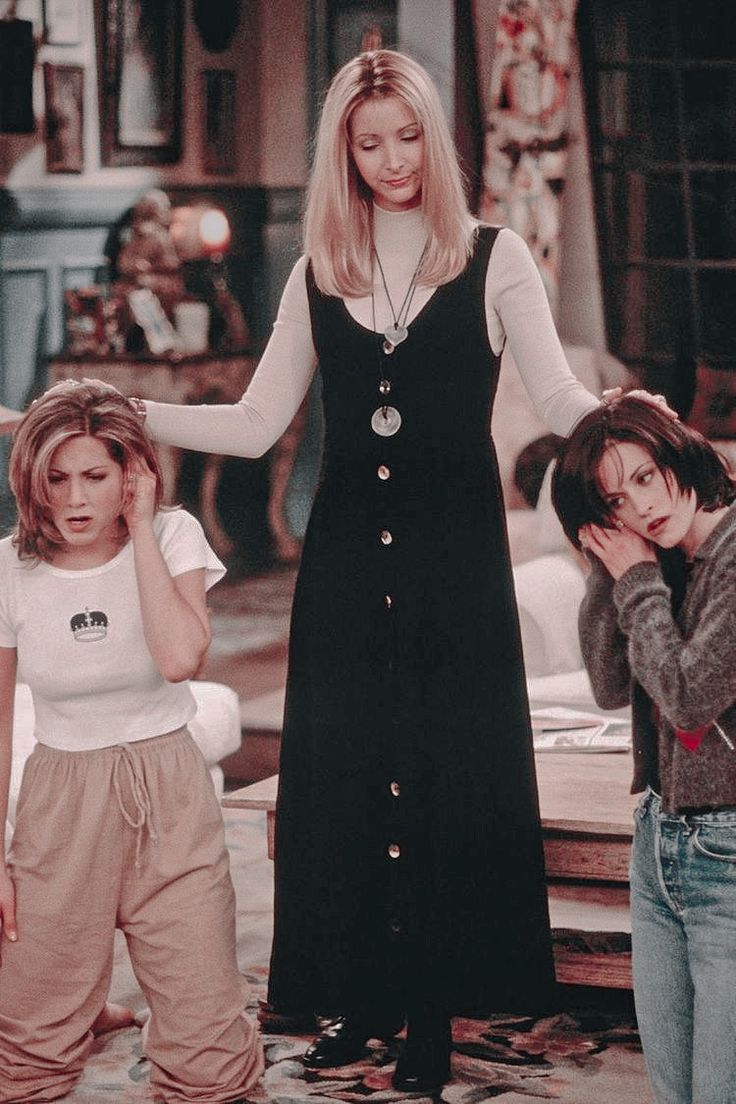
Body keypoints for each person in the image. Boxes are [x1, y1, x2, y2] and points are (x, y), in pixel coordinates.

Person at [117, 47, 620, 1093]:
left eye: (405, 138)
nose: (390, 160)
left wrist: (634, 419)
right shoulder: (319, 271)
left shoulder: (495, 256)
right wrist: (128, 411)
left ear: (431, 139)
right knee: (343, 776)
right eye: (367, 141)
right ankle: (360, 996)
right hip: (344, 559)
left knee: (443, 774)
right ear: (342, 150)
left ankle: (432, 1011)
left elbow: (564, 399)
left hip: (453, 560)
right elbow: (258, 426)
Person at [0, 382, 264, 1103]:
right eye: (57, 478)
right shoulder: (8, 568)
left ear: (132, 474)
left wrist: (143, 529)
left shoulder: (174, 535)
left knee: (213, 1067)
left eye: (96, 476)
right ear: (32, 481)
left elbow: (181, 659)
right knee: (27, 1057)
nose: (76, 499)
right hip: (61, 802)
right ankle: (82, 1014)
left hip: (170, 790)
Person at [550, 395, 736, 1104]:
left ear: (675, 456)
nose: (642, 506)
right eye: (613, 499)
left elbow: (688, 696)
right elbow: (606, 681)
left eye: (645, 477)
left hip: (727, 850)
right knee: (674, 1088)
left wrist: (633, 576)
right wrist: (611, 560)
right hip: (656, 839)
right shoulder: (658, 561)